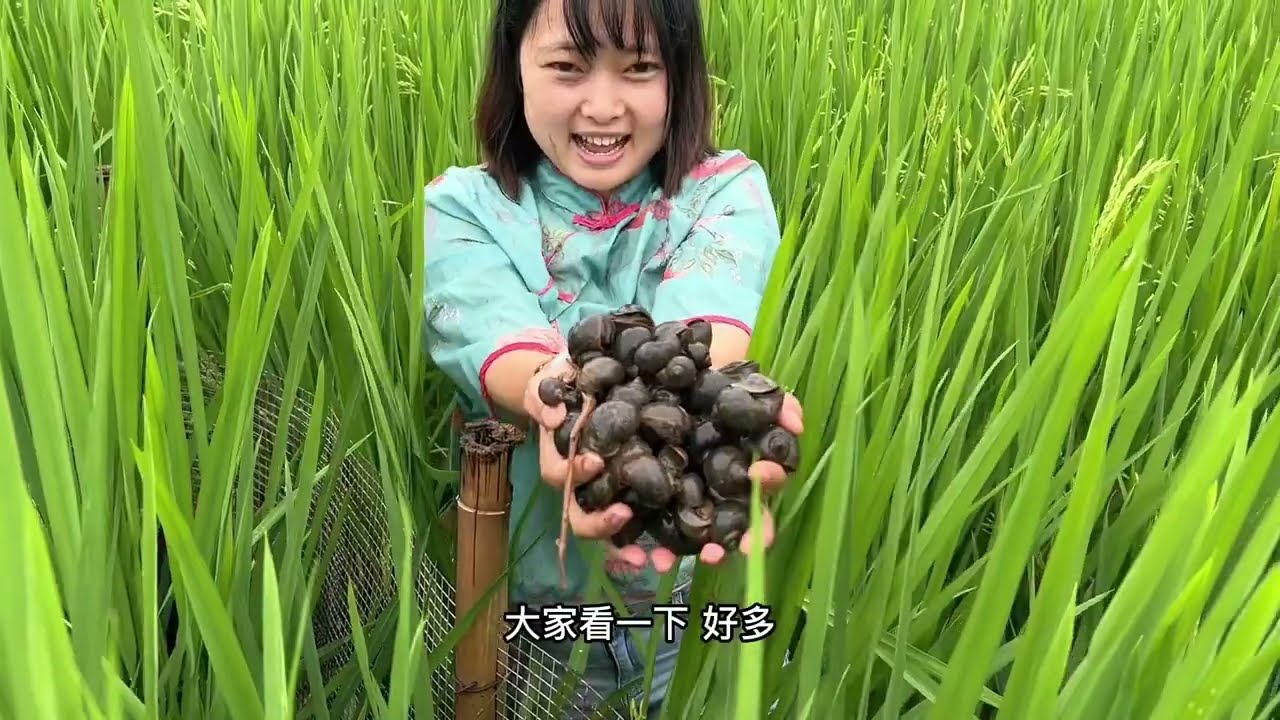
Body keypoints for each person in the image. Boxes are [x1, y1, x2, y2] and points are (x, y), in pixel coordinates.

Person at [422, 0, 804, 716]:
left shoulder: (721, 190)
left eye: (640, 68)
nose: (604, 106)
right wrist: (560, 398)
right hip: (530, 608)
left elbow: (700, 332)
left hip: (687, 603)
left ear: (679, 76)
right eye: (568, 67)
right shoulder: (464, 207)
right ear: (514, 68)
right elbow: (491, 332)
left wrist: (644, 419)